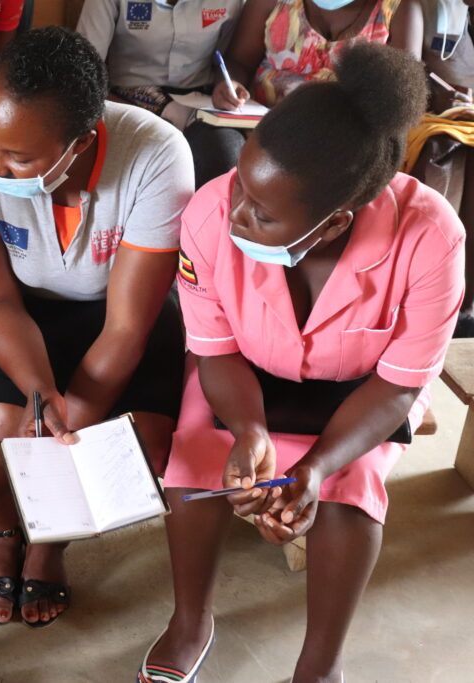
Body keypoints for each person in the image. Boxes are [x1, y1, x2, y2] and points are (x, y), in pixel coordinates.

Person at [142, 44, 461, 683]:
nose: (236, 214)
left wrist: (314, 469)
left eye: (261, 214)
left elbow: (398, 386)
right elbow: (214, 349)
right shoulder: (209, 213)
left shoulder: (431, 237)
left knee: (349, 495)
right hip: (243, 373)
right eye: (241, 187)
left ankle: (320, 666)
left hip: (364, 391)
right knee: (195, 466)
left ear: (333, 222)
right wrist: (250, 432)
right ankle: (189, 622)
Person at [0, 27, 193, 629]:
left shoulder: (157, 154)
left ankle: (51, 539)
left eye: (18, 157)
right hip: (16, 309)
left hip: (119, 311)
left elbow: (129, 323)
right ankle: (1, 524)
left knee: (130, 444)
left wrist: (77, 410)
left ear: (80, 143)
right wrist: (39, 390)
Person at [76, 0, 248, 186]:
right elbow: (84, 71)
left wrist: (226, 84)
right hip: (126, 98)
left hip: (200, 103)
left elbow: (227, 59)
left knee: (225, 152)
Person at [211, 0, 422, 110]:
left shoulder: (399, 8)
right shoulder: (272, 2)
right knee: (217, 144)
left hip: (346, 139)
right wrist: (229, 86)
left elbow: (403, 96)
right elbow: (239, 61)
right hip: (261, 128)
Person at [407, 0, 474, 334]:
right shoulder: (422, 7)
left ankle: (465, 307)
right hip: (440, 119)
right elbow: (411, 73)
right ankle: (434, 294)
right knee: (443, 147)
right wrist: (437, 94)